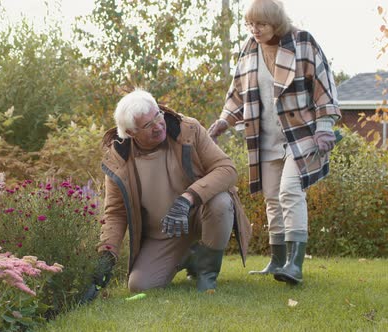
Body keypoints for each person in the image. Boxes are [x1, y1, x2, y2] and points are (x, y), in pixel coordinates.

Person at [207, 0, 341, 285]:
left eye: (261, 24)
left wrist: (325, 127)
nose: (254, 30)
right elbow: (237, 93)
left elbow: (323, 86)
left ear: (276, 23)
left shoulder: (302, 42)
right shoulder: (249, 49)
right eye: (250, 24)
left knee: (290, 191)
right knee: (271, 198)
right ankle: (277, 260)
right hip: (264, 136)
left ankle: (295, 263)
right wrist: (224, 120)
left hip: (301, 134)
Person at [81, 89, 251, 302]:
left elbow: (227, 169)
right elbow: (115, 213)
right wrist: (107, 254)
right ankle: (191, 257)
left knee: (221, 202)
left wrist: (187, 199)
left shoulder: (188, 130)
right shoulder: (119, 159)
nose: (159, 125)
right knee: (139, 285)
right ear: (131, 133)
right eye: (148, 125)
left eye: (158, 115)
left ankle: (207, 273)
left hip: (198, 215)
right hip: (163, 233)